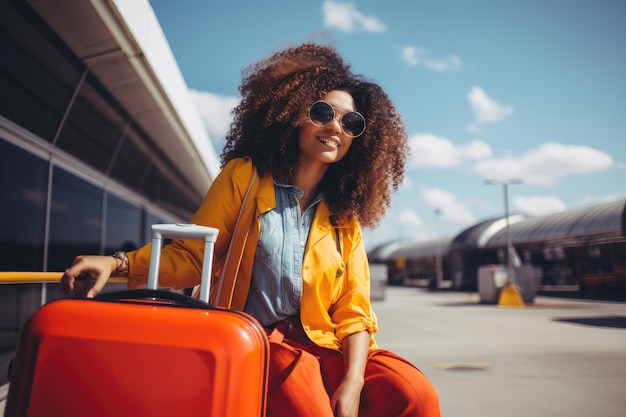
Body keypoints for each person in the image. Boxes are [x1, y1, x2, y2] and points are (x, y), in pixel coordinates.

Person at [62, 42, 441, 417]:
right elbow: (192, 256)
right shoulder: (244, 178)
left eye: (349, 122)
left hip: (324, 346)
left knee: (416, 396)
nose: (334, 127)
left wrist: (353, 383)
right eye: (323, 112)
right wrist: (116, 264)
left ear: (359, 139)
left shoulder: (345, 219)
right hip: (257, 340)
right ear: (295, 113)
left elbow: (353, 312)